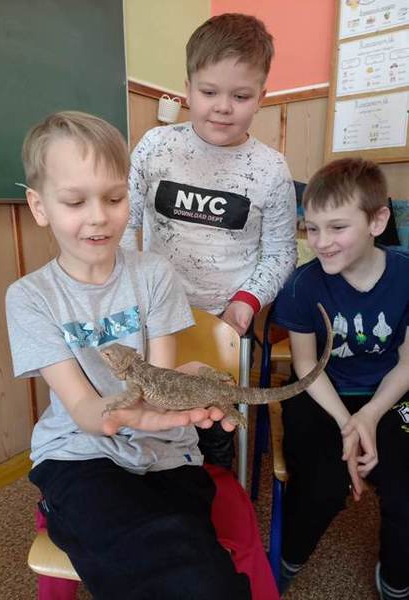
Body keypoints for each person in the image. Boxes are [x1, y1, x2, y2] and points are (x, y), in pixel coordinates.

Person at [5, 110, 275, 599]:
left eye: (114, 198)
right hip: (81, 452)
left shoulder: (154, 274)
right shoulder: (29, 297)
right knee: (143, 556)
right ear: (39, 206)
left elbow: (162, 375)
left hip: (167, 449)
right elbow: (83, 406)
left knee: (198, 567)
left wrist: (189, 385)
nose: (98, 216)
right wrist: (121, 414)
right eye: (75, 201)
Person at [121, 12, 297, 468]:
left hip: (224, 322)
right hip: (151, 315)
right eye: (209, 92)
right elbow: (125, 223)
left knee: (214, 431)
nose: (223, 107)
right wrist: (126, 290)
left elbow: (281, 252)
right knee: (151, 423)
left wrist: (246, 302)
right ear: (187, 89)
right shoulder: (155, 146)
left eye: (240, 96)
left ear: (262, 97)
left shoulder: (271, 169)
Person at [273, 158, 409, 599]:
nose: (321, 242)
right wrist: (347, 423)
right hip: (322, 393)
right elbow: (305, 367)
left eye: (337, 227)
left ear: (377, 221)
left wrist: (369, 415)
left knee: (405, 485)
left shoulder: (406, 275)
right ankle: (289, 558)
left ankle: (396, 579)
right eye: (312, 228)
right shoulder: (301, 285)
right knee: (321, 484)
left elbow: (407, 364)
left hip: (390, 394)